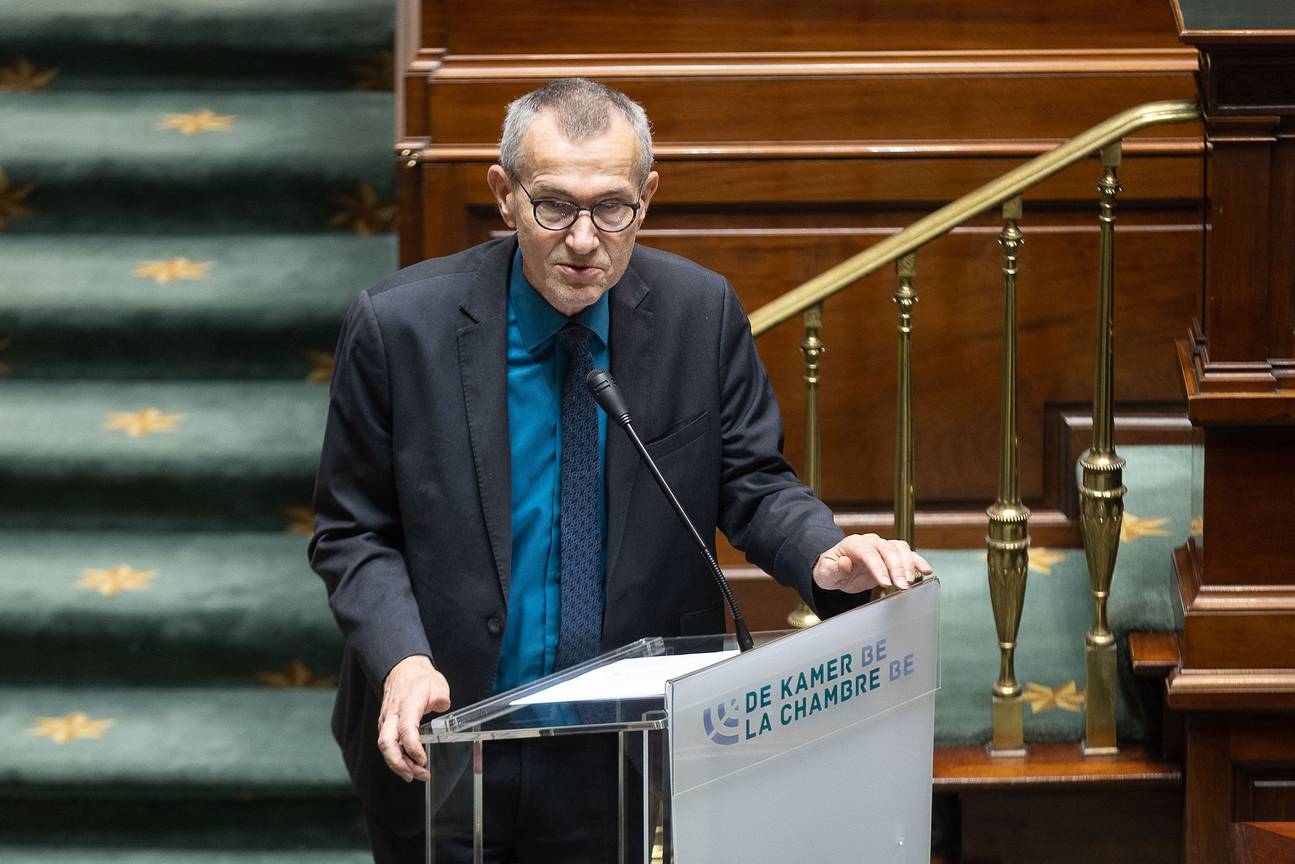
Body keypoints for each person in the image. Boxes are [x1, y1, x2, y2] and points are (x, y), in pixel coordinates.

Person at [309, 77, 932, 864]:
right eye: (554, 205)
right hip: (444, 739)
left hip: (626, 748)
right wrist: (402, 659)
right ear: (504, 195)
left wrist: (822, 555)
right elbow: (352, 532)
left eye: (611, 207)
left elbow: (752, 480)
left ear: (647, 196)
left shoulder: (697, 313)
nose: (582, 238)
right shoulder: (399, 327)